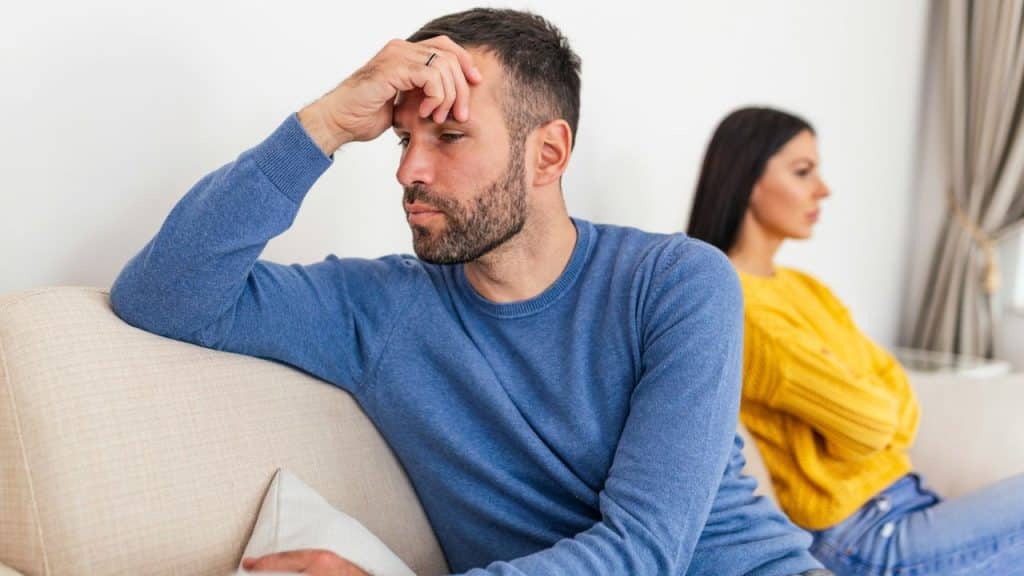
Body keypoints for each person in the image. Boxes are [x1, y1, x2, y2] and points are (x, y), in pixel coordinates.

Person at [111, 10, 826, 575]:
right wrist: (325, 123)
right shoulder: (381, 311)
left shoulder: (677, 282)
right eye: (402, 140)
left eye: (449, 136)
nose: (408, 172)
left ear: (547, 153)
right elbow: (162, 296)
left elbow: (646, 552)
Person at [686, 106, 1024, 575]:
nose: (823, 189)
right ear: (747, 180)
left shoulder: (806, 288)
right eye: (803, 172)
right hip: (863, 539)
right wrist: (869, 409)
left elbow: (898, 394)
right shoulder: (737, 304)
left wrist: (869, 411)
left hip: (908, 505)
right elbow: (869, 424)